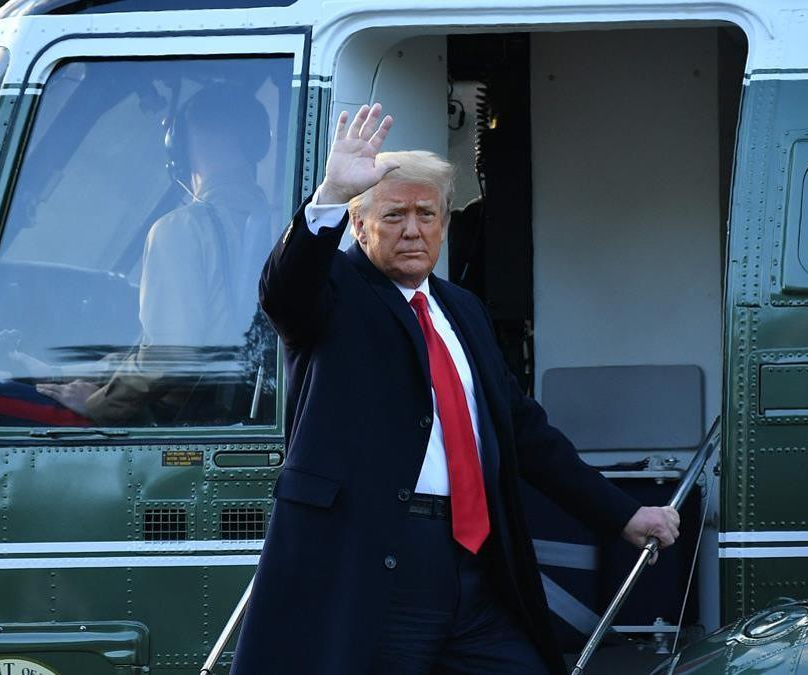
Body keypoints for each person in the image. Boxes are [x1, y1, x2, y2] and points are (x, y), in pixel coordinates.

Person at [229, 103, 680, 674]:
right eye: (394, 216)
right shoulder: (335, 290)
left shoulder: (460, 308)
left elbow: (525, 432)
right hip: (378, 566)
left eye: (427, 213)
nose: (414, 229)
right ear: (360, 226)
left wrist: (622, 514)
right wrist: (332, 194)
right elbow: (284, 291)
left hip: (473, 567)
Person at [38, 85, 273, 425]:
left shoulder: (181, 229)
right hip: (239, 409)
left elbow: (172, 356)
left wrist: (98, 403)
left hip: (186, 419)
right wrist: (87, 371)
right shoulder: (275, 223)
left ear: (180, 145)